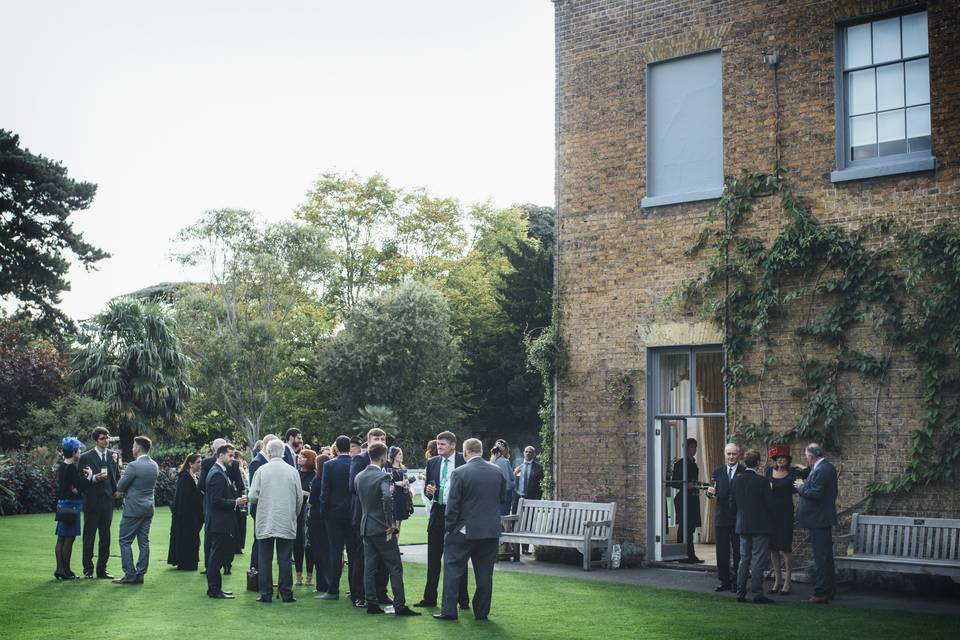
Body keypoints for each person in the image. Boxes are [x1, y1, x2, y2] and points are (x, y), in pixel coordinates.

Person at [434, 438, 505, 622]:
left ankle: (449, 611)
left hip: (464, 531)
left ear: (465, 453)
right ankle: (481, 612)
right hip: (490, 531)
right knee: (484, 574)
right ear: (481, 451)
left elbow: (453, 505)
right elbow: (503, 497)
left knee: (452, 570)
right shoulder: (497, 471)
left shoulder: (459, 472)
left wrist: (450, 528)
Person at [355, 442, 421, 616]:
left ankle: (372, 603)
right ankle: (399, 605)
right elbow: (386, 498)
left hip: (366, 526)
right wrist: (391, 522)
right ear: (384, 457)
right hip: (382, 528)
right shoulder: (382, 477)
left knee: (369, 567)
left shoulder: (359, 477)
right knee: (394, 566)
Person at [415, 430, 469, 609]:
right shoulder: (432, 462)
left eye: (442, 444)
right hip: (437, 513)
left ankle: (463, 599)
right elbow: (428, 488)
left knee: (458, 558)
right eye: (437, 444)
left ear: (453, 445)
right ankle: (429, 598)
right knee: (433, 557)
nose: (438, 447)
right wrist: (429, 492)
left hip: (457, 516)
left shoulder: (464, 460)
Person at [248, 439, 302, 603]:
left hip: (266, 519)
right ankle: (286, 594)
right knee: (284, 559)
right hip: (286, 519)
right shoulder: (292, 471)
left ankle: (266, 594)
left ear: (269, 452)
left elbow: (252, 496)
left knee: (265, 559)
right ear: (284, 453)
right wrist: (294, 514)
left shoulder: (262, 470)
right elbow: (299, 498)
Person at [349, 428, 390, 607]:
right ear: (368, 440)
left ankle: (381, 592)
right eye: (376, 438)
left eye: (382, 438)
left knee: (384, 558)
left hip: (383, 516)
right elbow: (352, 486)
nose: (379, 440)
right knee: (361, 557)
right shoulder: (360, 459)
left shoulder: (386, 459)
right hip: (363, 514)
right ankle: (358, 594)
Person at [318, 435, 361, 602]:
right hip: (353, 512)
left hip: (334, 514)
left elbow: (325, 491)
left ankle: (333, 589)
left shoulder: (329, 465)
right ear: (349, 447)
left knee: (335, 551)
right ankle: (354, 590)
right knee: (353, 552)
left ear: (336, 447)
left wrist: (324, 512)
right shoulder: (355, 463)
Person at [795, 442, 838, 604]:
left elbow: (816, 493)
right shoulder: (825, 468)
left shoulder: (821, 469)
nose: (806, 459)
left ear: (811, 456)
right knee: (825, 557)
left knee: (821, 558)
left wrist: (800, 487)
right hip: (821, 518)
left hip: (818, 520)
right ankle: (829, 590)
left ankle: (821, 593)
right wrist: (806, 478)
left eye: (806, 456)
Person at [731, 448, 776, 604]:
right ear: (758, 463)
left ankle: (740, 592)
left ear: (745, 462)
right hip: (760, 526)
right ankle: (757, 594)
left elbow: (733, 503)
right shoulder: (762, 481)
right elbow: (770, 505)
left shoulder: (737, 480)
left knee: (744, 560)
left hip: (742, 525)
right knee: (757, 560)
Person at [114, 436, 160, 585]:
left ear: (138, 448)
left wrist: (122, 477)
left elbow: (120, 486)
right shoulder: (154, 465)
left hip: (134, 508)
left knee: (124, 541)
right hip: (148, 507)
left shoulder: (133, 466)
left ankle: (129, 574)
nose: (132, 448)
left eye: (133, 446)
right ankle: (140, 574)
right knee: (144, 542)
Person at [204, 443, 248, 599]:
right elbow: (216, 501)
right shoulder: (217, 473)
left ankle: (216, 589)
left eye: (233, 455)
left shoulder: (220, 472)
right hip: (219, 523)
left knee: (218, 556)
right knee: (216, 557)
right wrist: (236, 502)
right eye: (229, 455)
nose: (232, 459)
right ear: (220, 455)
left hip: (220, 522)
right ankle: (214, 590)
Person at [78, 426, 119, 579]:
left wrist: (117, 492)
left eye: (108, 437)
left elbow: (116, 476)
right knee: (89, 536)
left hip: (108, 501)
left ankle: (102, 569)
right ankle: (88, 569)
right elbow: (80, 480)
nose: (106, 440)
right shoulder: (85, 457)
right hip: (91, 501)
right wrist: (94, 478)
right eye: (102, 438)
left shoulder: (114, 455)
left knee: (105, 536)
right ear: (96, 440)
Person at [706, 443, 744, 591]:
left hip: (738, 518)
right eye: (728, 454)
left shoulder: (744, 471)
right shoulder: (717, 471)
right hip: (721, 517)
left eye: (734, 454)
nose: (731, 457)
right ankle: (724, 581)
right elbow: (712, 492)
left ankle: (737, 583)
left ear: (738, 455)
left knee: (738, 552)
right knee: (721, 552)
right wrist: (710, 493)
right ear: (725, 455)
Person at [54, 436, 89, 580]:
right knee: (69, 538)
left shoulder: (62, 466)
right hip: (71, 504)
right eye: (78, 449)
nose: (80, 451)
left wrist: (76, 487)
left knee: (61, 538)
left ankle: (60, 569)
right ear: (74, 452)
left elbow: (71, 485)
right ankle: (65, 570)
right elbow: (80, 486)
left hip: (62, 503)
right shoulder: (72, 468)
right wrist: (89, 476)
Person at [766, 444, 799, 595]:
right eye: (777, 458)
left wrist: (803, 467)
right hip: (770, 513)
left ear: (787, 459)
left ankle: (788, 580)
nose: (780, 460)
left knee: (785, 547)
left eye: (783, 458)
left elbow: (807, 477)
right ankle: (777, 580)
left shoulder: (793, 474)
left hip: (785, 512)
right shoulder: (768, 472)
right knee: (773, 548)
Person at [247, 433, 278, 573]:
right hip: (259, 506)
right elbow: (256, 489)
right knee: (259, 540)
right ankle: (255, 573)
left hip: (268, 506)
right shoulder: (257, 462)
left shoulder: (266, 460)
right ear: (266, 445)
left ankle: (261, 573)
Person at [168, 453, 203, 571]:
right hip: (186, 515)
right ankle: (186, 562)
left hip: (193, 514)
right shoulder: (185, 477)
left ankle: (190, 561)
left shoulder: (194, 477)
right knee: (186, 538)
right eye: (198, 462)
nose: (200, 464)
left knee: (192, 539)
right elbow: (185, 498)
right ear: (190, 464)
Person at [671, 437, 703, 563]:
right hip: (683, 498)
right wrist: (686, 485)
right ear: (686, 448)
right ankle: (682, 555)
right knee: (684, 527)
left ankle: (691, 555)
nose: (693, 449)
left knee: (691, 528)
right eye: (691, 447)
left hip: (693, 499)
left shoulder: (693, 464)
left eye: (695, 447)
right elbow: (674, 482)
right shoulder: (680, 464)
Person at [511, 445, 544, 555]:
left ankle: (525, 548)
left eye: (530, 452)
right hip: (518, 497)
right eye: (526, 451)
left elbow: (540, 487)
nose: (527, 453)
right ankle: (514, 549)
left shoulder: (538, 467)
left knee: (528, 523)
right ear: (524, 453)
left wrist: (536, 500)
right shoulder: (517, 464)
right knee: (515, 521)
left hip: (530, 498)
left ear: (533, 454)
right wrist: (514, 473)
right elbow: (512, 480)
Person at [308, 453, 331, 597]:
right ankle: (329, 582)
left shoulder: (317, 480)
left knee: (319, 552)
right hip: (328, 517)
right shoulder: (329, 480)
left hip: (317, 517)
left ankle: (321, 584)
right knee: (329, 552)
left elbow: (311, 500)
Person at [295, 449, 316, 586]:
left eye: (303, 457)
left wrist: (305, 493)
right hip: (296, 512)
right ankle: (298, 575)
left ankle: (309, 575)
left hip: (309, 512)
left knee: (309, 543)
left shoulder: (315, 475)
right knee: (296, 543)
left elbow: (316, 495)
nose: (300, 458)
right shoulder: (294, 474)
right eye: (300, 456)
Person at [384, 447, 413, 533]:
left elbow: (406, 481)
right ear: (394, 456)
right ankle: (390, 544)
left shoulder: (402, 468)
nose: (401, 456)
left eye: (401, 454)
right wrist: (397, 483)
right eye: (399, 454)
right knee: (392, 524)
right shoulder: (388, 467)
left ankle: (396, 544)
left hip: (402, 496)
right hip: (394, 496)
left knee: (399, 524)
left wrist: (407, 484)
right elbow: (387, 481)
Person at [490, 439, 515, 517]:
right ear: (506, 449)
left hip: (493, 495)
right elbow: (508, 483)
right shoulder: (504, 461)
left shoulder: (491, 462)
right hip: (504, 496)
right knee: (503, 519)